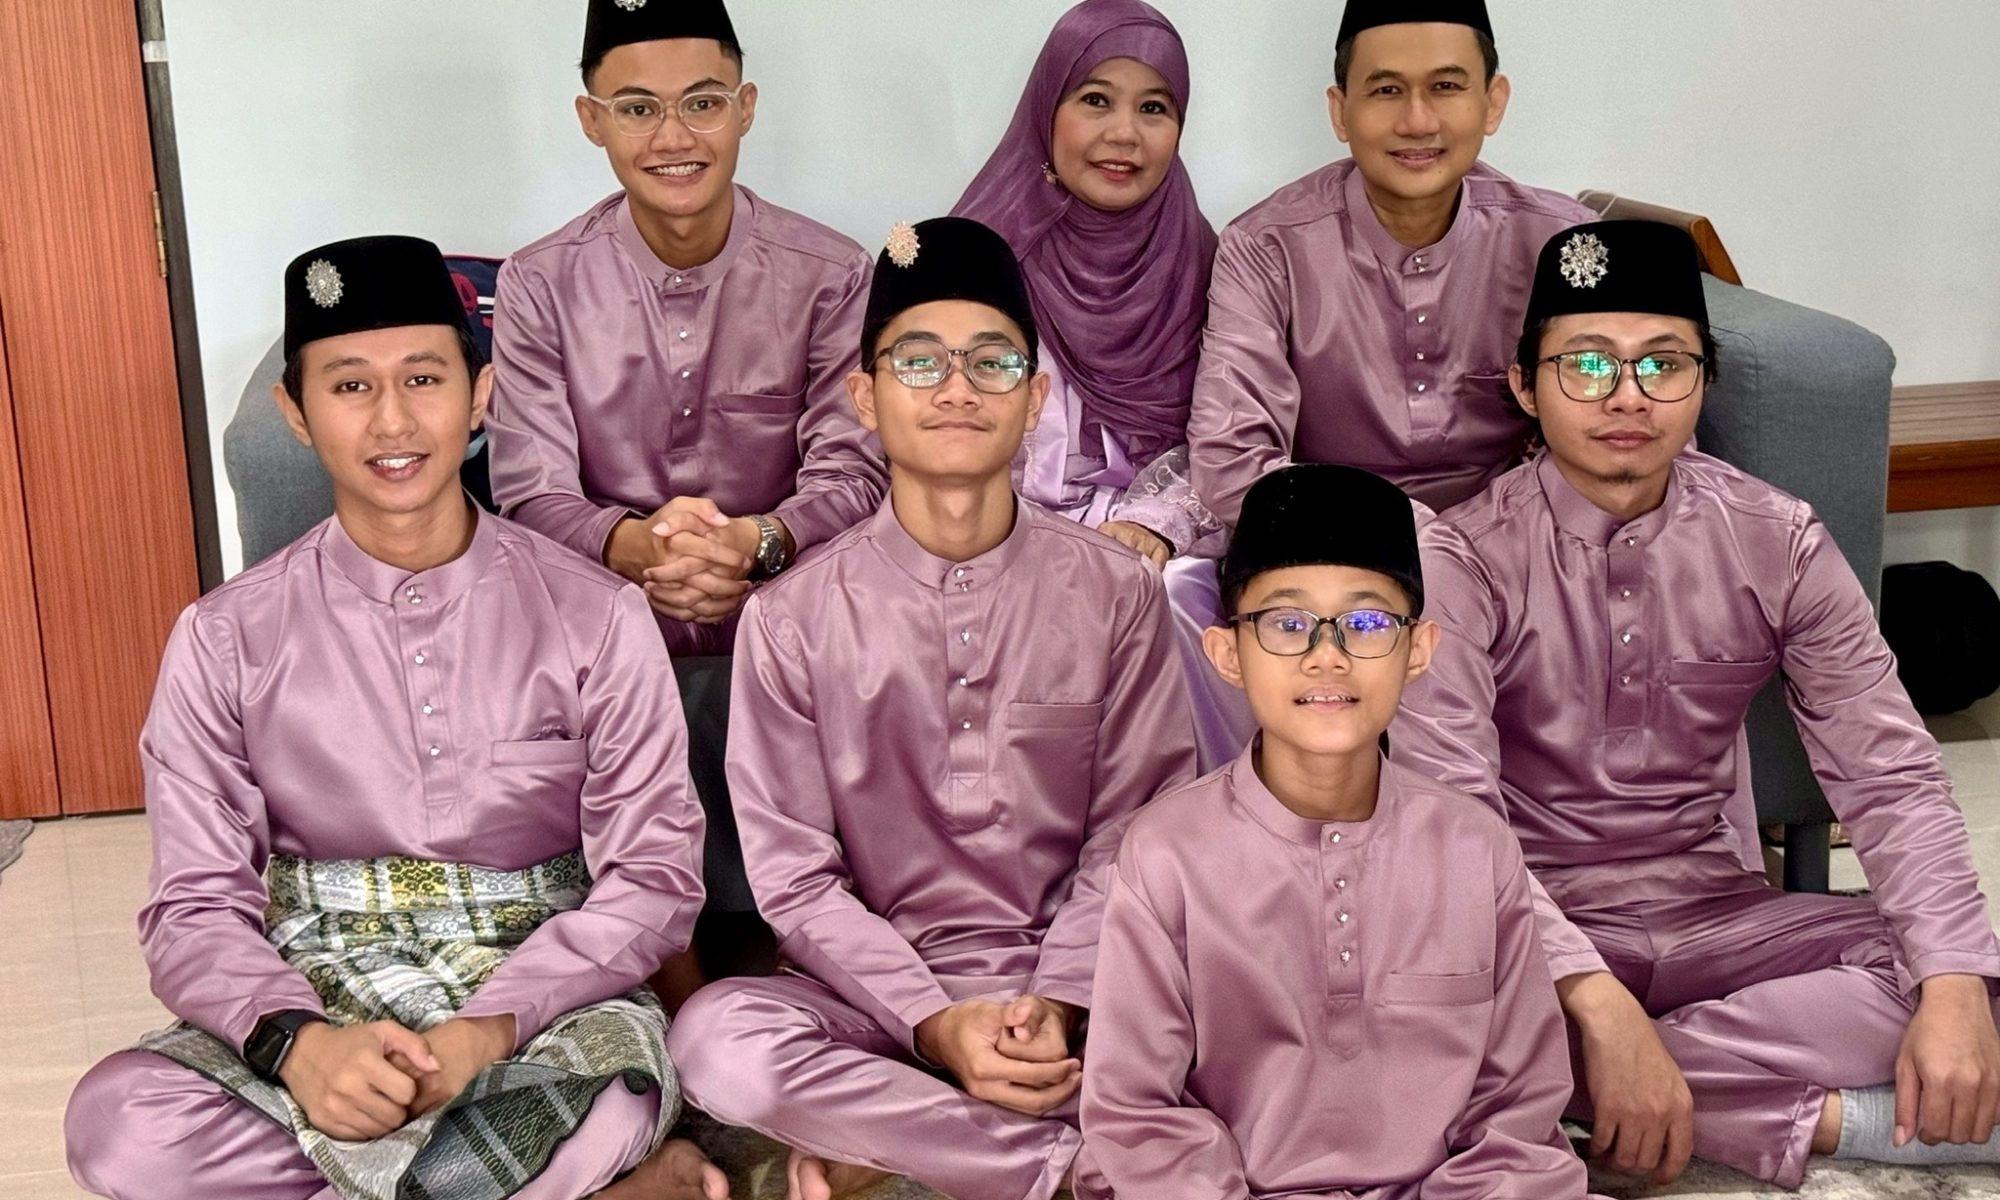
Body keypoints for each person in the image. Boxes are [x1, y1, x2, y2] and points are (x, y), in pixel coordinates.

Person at [64, 236, 723, 1200]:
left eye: (423, 377)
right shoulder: (224, 637)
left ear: (481, 394)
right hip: (318, 983)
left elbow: (653, 879)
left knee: (603, 1106)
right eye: (349, 386)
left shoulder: (596, 615)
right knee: (120, 1126)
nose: (393, 420)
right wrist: (297, 1048)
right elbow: (193, 905)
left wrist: (487, 1029)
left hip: (538, 999)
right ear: (295, 412)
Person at [1394, 219, 2000, 1188]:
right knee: (1399, 1021)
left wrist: (1954, 985)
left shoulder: (1776, 539)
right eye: (1586, 364)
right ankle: (1830, 1115)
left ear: (1703, 382)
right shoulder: (1459, 559)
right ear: (1525, 386)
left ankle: (1603, 1096)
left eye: (1662, 363)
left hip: (1717, 917)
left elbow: (1888, 773)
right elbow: (1453, 818)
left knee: (1963, 975)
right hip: (1528, 932)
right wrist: (1597, 1004)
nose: (1626, 395)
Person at [665, 217, 1197, 1200]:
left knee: (1250, 1019)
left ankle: (901, 1142)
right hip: (879, 998)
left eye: (992, 361)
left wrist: (1059, 1000)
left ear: (1034, 399)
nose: (956, 388)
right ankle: (1065, 1169)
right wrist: (934, 1022)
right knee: (716, 1041)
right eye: (919, 361)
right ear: (865, 397)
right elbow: (795, 879)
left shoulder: (1115, 593)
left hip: (1086, 985)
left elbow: (1139, 830)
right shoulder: (791, 617)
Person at [485, 0, 888, 980]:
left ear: (745, 106)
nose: (673, 137)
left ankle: (821, 962)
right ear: (592, 121)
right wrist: (640, 551)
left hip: (785, 600)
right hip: (609, 608)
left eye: (701, 102)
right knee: (586, 657)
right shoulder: (540, 284)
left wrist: (756, 545)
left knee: (853, 636)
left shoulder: (830, 272)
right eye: (637, 109)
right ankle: (665, 973)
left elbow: (854, 471)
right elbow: (529, 490)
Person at [1080, 464, 1594, 1199]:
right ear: (1227, 654)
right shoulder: (1167, 854)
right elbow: (1138, 1115)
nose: (1328, 655)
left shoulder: (1474, 848)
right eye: (1287, 624)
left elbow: (1517, 1110)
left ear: (1420, 650)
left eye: (1368, 623)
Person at [1168, 0, 1594, 769]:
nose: (1417, 120)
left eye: (1447, 87)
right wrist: (1407, 542)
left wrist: (1480, 548)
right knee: (1192, 596)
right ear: (1341, 111)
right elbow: (1231, 462)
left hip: (1517, 552)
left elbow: (1606, 434)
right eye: (1387, 90)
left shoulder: (1558, 244)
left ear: (1493, 102)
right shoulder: (1266, 247)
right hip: (1324, 560)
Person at [953, 0, 1219, 567]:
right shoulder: (972, 260)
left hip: (1159, 552)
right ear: (1047, 107)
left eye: (1154, 108)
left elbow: (1234, 436)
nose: (1124, 133)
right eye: (1096, 100)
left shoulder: (1207, 262)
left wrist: (1157, 525)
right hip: (990, 545)